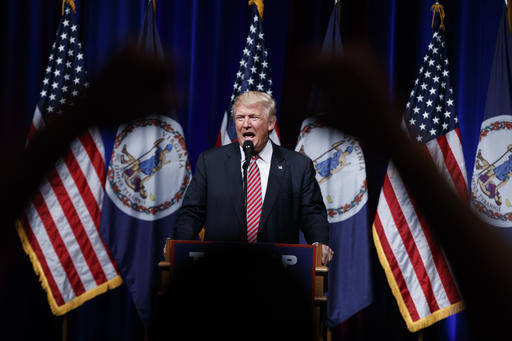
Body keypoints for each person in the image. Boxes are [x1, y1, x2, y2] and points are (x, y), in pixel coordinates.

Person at [173, 91, 333, 265]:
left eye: (253, 117)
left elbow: (312, 213)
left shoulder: (298, 165)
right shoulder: (211, 162)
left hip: (278, 271)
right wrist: (179, 245)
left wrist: (319, 244)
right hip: (220, 269)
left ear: (271, 123)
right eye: (240, 118)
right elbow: (192, 212)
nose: (246, 124)